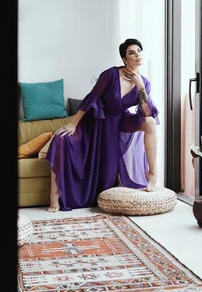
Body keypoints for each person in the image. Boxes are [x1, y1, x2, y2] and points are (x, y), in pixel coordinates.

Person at [46, 39, 159, 212]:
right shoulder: (111, 75)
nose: (137, 55)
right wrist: (73, 123)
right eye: (131, 52)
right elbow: (91, 98)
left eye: (139, 51)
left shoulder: (144, 82)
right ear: (124, 59)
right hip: (97, 121)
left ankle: (152, 173)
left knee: (150, 123)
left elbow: (146, 112)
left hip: (120, 121)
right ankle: (55, 194)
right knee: (60, 140)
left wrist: (141, 86)